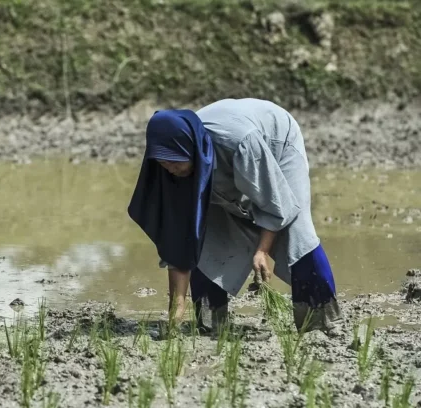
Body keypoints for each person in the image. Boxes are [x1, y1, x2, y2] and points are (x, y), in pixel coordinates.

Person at [128, 98, 343, 335]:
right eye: (162, 162)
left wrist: (262, 251)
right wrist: (175, 314)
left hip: (275, 142)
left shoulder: (239, 142)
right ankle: (210, 320)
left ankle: (321, 320)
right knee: (206, 235)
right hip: (221, 156)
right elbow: (178, 244)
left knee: (296, 234)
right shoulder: (171, 171)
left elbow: (274, 204)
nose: (169, 167)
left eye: (173, 161)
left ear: (189, 147)